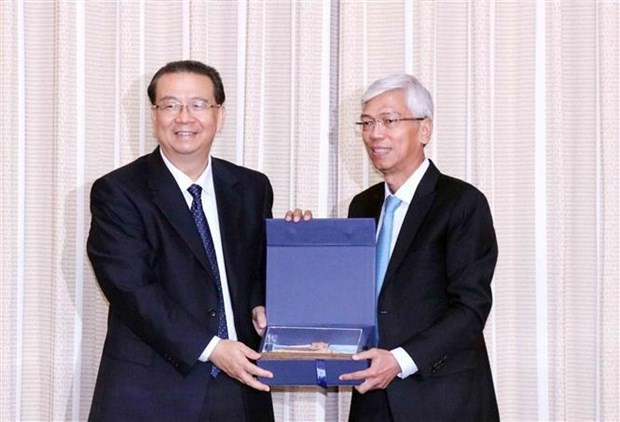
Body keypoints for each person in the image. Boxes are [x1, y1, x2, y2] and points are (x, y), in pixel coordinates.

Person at [87, 60, 274, 421]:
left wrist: (263, 298)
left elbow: (257, 271)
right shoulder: (119, 191)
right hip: (152, 391)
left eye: (199, 105)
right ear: (154, 114)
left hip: (240, 389)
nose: (184, 118)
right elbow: (131, 289)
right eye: (170, 105)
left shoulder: (252, 188)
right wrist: (213, 348)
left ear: (220, 114)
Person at [337, 73, 499, 421]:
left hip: (442, 399)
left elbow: (471, 308)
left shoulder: (462, 203)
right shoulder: (361, 207)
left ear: (424, 130)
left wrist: (400, 360)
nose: (375, 133)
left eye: (389, 120)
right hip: (372, 400)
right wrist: (300, 244)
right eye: (366, 122)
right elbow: (351, 298)